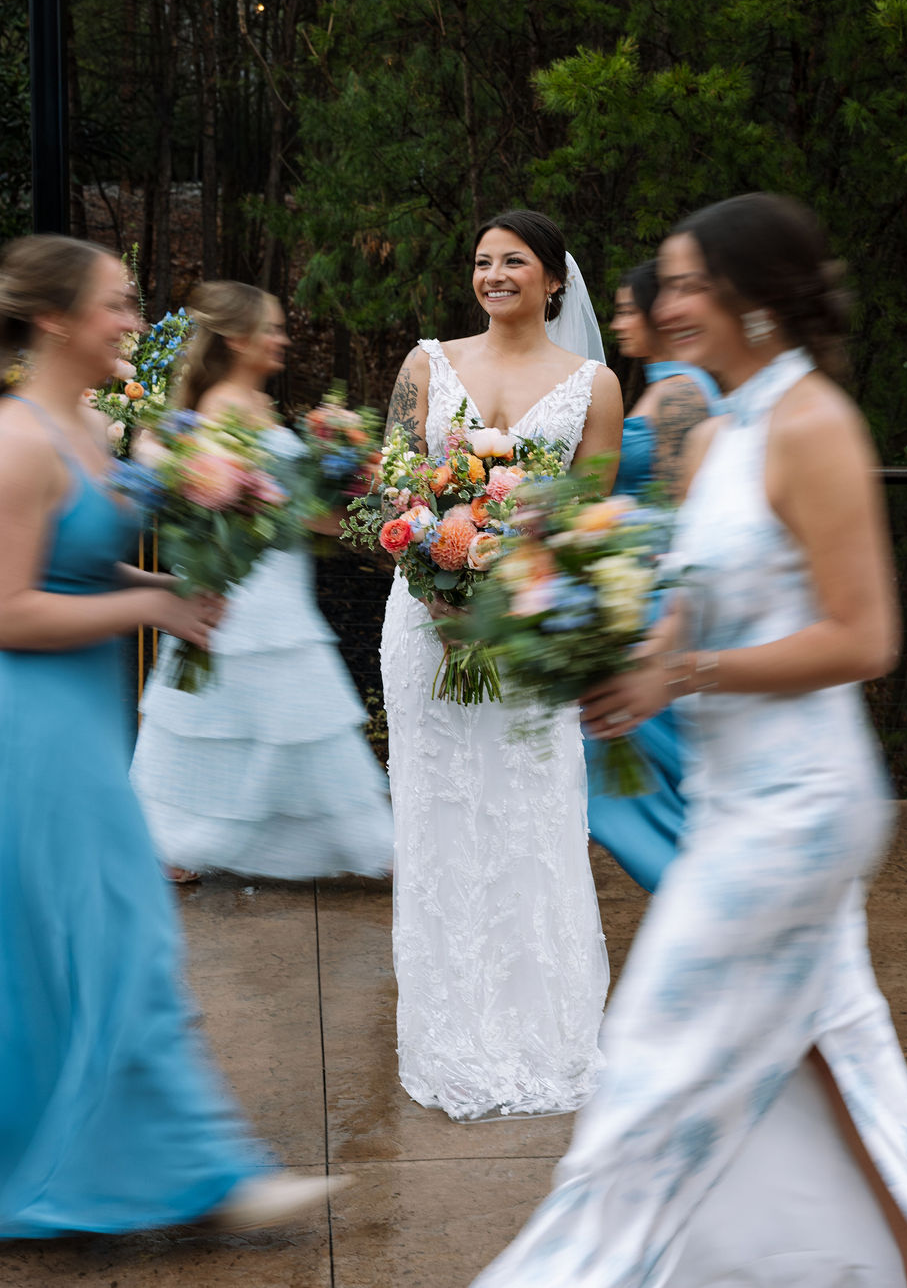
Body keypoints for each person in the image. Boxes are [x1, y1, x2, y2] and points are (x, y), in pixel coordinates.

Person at [470, 195, 907, 1288]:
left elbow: (864, 636)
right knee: (830, 1058)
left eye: (688, 280)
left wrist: (684, 670)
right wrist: (619, 657)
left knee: (650, 1077)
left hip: (798, 808)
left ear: (755, 298)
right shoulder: (730, 429)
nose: (668, 303)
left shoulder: (814, 427)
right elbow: (699, 599)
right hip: (736, 797)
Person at [0, 235, 341, 1235]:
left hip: (83, 712)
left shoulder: (91, 429)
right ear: (56, 319)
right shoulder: (19, 440)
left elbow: (85, 571)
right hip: (33, 726)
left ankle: (88, 1160)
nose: (137, 322)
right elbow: (11, 608)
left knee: (69, 945)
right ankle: (213, 1176)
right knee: (126, 933)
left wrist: (167, 588)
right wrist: (150, 612)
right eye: (117, 303)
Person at [381, 209, 623, 1121]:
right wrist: (436, 581)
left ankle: (542, 1035)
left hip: (526, 635)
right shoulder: (426, 365)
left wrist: (511, 577)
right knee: (440, 819)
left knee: (531, 814)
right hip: (425, 630)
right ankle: (449, 1031)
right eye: (481, 260)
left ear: (553, 279)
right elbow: (388, 491)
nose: (492, 274)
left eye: (512, 260)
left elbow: (587, 521)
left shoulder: (594, 386)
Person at [131, 281, 394, 883]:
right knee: (299, 713)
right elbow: (268, 508)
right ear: (235, 337)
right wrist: (352, 507)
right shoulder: (227, 405)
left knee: (223, 715)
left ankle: (169, 841)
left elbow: (295, 508)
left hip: (272, 582)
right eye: (271, 328)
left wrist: (357, 497)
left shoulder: (253, 403)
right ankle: (374, 846)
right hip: (252, 590)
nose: (282, 338)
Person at [584, 259, 718, 893]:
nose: (618, 323)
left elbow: (685, 509)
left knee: (637, 776)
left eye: (629, 310)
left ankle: (702, 896)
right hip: (634, 589)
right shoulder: (666, 385)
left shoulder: (686, 393)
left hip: (657, 602)